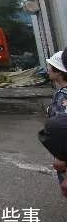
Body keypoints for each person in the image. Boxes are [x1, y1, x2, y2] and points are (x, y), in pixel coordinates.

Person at [39, 47, 67, 195]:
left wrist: (62, 158)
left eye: (50, 67)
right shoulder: (61, 93)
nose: (47, 69)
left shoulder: (63, 96)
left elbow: (64, 130)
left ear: (59, 72)